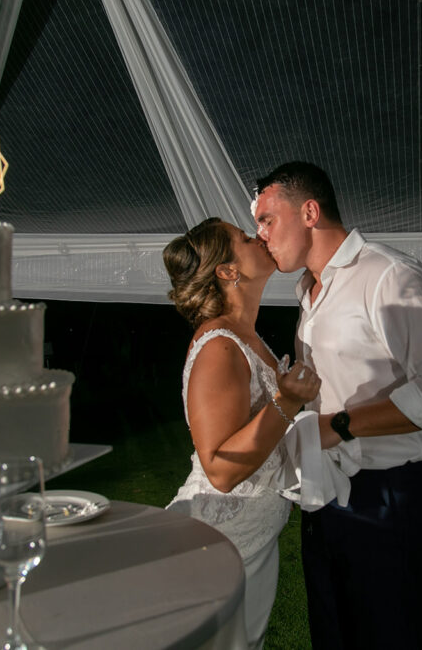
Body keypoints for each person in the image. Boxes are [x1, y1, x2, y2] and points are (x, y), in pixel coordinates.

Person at [253, 161, 422, 649]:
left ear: (309, 211)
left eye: (268, 220)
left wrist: (340, 425)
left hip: (388, 497)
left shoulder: (388, 274)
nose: (261, 235)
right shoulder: (308, 292)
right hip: (325, 496)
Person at [162, 216, 321, 650]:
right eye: (246, 238)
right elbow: (219, 469)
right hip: (215, 543)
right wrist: (286, 402)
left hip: (254, 539)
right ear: (228, 271)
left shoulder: (247, 336)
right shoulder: (218, 345)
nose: (260, 238)